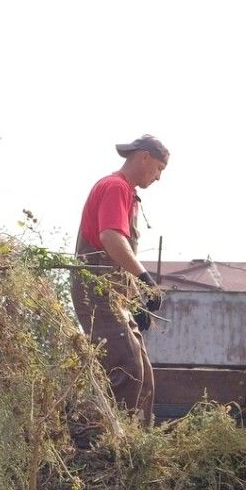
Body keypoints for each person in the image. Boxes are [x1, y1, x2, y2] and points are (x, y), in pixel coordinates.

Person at [72, 133, 169, 422]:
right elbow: (111, 238)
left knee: (144, 374)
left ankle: (137, 446)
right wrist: (144, 278)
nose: (159, 177)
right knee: (126, 367)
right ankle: (110, 445)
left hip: (113, 294)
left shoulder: (126, 192)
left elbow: (116, 257)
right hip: (96, 290)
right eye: (159, 169)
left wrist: (135, 302)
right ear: (144, 157)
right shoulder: (115, 186)